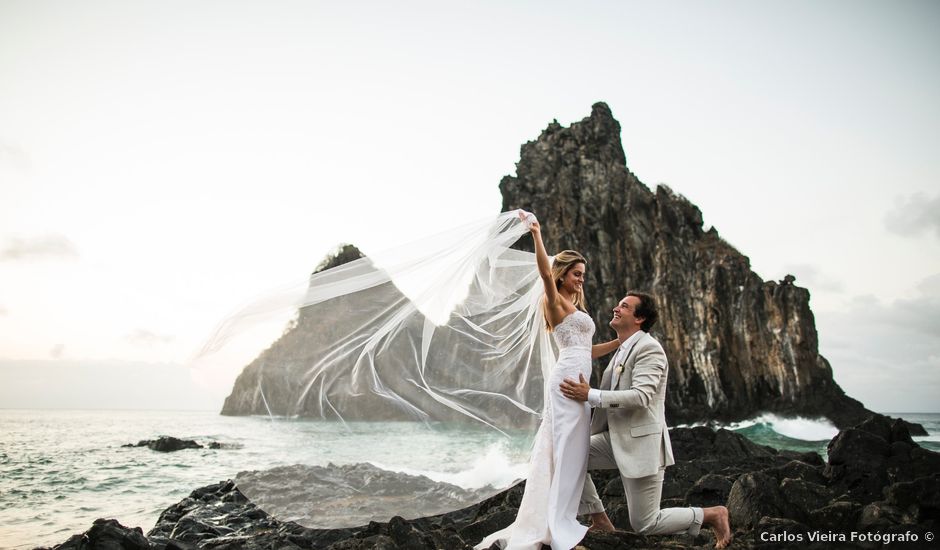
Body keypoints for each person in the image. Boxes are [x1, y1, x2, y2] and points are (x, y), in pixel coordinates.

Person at [476, 211, 620, 550]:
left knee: (573, 452)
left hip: (579, 380)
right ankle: (556, 524)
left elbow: (588, 349)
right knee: (565, 449)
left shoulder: (574, 305)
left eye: (584, 274)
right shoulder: (553, 301)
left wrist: (619, 342)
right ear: (563, 274)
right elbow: (544, 271)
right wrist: (538, 235)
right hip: (566, 384)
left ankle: (564, 515)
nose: (582, 279)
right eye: (577, 274)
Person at [559, 292, 733, 549]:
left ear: (639, 318)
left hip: (641, 445)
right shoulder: (622, 349)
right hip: (614, 439)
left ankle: (712, 514)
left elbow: (641, 396)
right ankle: (600, 518)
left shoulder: (650, 349)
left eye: (624, 307)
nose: (616, 308)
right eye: (618, 304)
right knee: (565, 455)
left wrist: (591, 395)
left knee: (645, 523)